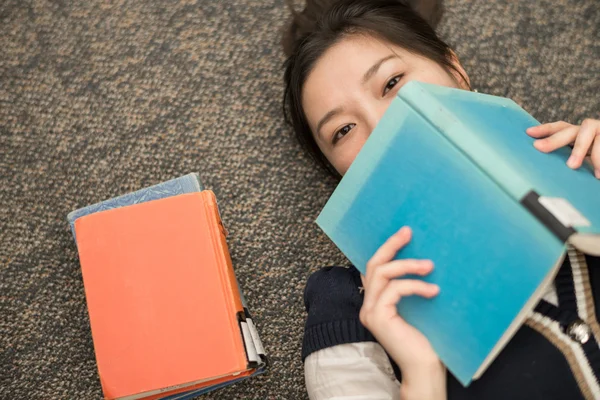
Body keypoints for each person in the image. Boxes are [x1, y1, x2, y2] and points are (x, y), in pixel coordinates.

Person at [281, 0, 600, 399]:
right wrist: (422, 376)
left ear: (455, 68)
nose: (382, 128)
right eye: (343, 130)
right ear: (336, 171)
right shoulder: (347, 308)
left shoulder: (584, 165)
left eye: (392, 83)